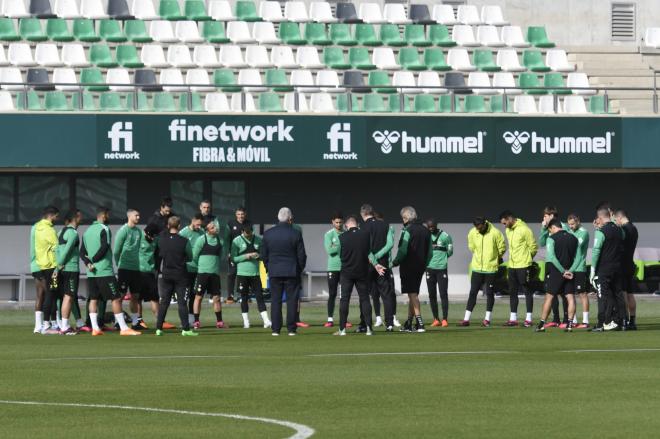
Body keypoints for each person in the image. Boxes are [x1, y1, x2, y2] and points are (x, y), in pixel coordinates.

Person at [81, 206, 140, 336]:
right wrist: (95, 261)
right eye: (108, 215)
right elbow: (104, 247)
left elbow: (82, 252)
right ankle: (124, 328)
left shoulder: (87, 231)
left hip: (91, 273)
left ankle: (95, 328)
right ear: (103, 215)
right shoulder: (105, 229)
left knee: (94, 299)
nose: (109, 217)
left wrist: (88, 262)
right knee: (116, 297)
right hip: (104, 271)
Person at [334, 215, 385, 336]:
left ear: (346, 225)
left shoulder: (342, 237)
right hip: (362, 272)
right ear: (357, 224)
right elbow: (369, 252)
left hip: (346, 273)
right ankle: (368, 329)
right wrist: (376, 264)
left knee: (344, 300)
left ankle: (342, 329)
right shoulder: (365, 235)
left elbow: (338, 253)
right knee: (365, 299)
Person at [260, 207, 307, 336]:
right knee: (292, 300)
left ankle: (276, 329)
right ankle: (291, 329)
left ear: (278, 217)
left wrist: (268, 267)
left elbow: (263, 255)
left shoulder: (268, 234)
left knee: (276, 300)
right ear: (290, 218)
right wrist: (298, 269)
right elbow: (302, 256)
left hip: (275, 271)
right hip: (292, 271)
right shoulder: (296, 233)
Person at [459, 217, 506, 327]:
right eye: (477, 228)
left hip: (490, 269)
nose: (478, 230)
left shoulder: (496, 233)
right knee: (473, 292)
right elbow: (471, 247)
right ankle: (466, 319)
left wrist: (494, 258)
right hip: (477, 268)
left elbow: (502, 248)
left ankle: (487, 319)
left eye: (480, 227)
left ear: (485, 224)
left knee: (489, 293)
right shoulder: (472, 232)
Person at [156, 216, 198, 336]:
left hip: (166, 275)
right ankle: (185, 329)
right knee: (182, 303)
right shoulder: (184, 241)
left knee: (164, 302)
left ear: (168, 226)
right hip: (181, 276)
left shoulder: (162, 240)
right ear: (179, 226)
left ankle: (159, 328)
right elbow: (190, 257)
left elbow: (160, 255)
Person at [392, 206, 432, 333]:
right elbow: (430, 252)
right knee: (412, 293)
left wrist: (394, 262)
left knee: (413, 295)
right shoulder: (426, 230)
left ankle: (420, 323)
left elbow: (402, 250)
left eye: (402, 218)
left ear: (406, 218)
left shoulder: (407, 230)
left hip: (408, 266)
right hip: (420, 267)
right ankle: (409, 323)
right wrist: (424, 265)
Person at [535, 219, 579, 332]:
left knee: (549, 297)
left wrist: (562, 271)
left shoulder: (551, 238)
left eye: (550, 230)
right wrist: (571, 271)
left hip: (557, 272)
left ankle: (541, 324)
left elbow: (552, 258)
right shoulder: (573, 238)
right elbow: (579, 258)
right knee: (570, 297)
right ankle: (569, 324)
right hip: (570, 272)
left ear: (552, 228)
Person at [499, 210, 538, 327]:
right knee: (512, 292)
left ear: (510, 219)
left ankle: (529, 319)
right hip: (512, 265)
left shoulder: (525, 229)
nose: (504, 226)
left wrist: (527, 259)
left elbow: (533, 247)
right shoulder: (508, 230)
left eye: (504, 223)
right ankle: (513, 318)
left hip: (524, 265)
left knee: (527, 291)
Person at [590, 206, 626, 332]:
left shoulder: (601, 232)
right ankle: (622, 322)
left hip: (604, 269)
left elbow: (596, 251)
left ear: (600, 217)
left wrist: (593, 269)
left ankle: (601, 323)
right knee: (618, 295)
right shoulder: (619, 230)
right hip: (617, 268)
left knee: (602, 296)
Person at [360, 204, 395, 331]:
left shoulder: (363, 227)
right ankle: (390, 323)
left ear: (363, 214)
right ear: (372, 212)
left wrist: (374, 260)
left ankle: (365, 324)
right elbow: (390, 244)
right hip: (383, 263)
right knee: (386, 294)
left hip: (369, 264)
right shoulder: (385, 225)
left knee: (364, 295)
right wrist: (379, 257)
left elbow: (364, 247)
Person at [231, 224, 272, 329]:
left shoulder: (258, 239)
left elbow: (264, 255)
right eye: (246, 232)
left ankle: (266, 321)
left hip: (255, 274)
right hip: (242, 274)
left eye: (249, 232)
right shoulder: (236, 241)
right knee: (244, 298)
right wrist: (246, 256)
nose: (248, 234)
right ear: (242, 231)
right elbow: (233, 259)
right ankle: (246, 322)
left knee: (259, 296)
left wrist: (257, 256)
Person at [135, 223, 172, 329]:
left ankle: (160, 321)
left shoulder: (156, 239)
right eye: (150, 235)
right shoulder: (139, 237)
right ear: (146, 232)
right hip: (139, 271)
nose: (152, 238)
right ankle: (139, 320)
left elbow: (157, 254)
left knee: (154, 297)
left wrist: (156, 269)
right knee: (138, 297)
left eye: (154, 236)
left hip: (151, 271)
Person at [538, 206, 569, 327]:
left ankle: (567, 319)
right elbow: (541, 243)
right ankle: (556, 319)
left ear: (551, 215)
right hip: (550, 262)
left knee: (564, 292)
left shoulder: (563, 226)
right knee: (551, 291)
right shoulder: (547, 228)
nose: (543, 218)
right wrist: (543, 228)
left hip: (561, 263)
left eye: (545, 216)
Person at [191, 221, 226, 329]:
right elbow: (194, 255)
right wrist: (202, 266)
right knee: (198, 297)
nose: (216, 228)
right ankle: (196, 321)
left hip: (214, 274)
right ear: (208, 230)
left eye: (216, 226)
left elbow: (221, 256)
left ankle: (219, 322)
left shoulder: (220, 241)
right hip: (202, 274)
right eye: (213, 227)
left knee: (216, 298)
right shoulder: (201, 240)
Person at [31, 206, 60, 334]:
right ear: (51, 215)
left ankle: (38, 326)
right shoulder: (48, 230)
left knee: (40, 296)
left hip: (36, 265)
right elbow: (56, 248)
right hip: (48, 266)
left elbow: (34, 247)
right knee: (51, 294)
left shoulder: (35, 227)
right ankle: (52, 324)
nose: (57, 219)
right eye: (56, 216)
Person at [114, 209, 144, 328]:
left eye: (139, 215)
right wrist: (119, 264)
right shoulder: (123, 230)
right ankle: (118, 322)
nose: (138, 217)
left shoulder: (138, 231)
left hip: (135, 269)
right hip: (124, 268)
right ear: (129, 216)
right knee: (120, 296)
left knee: (135, 296)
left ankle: (136, 322)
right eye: (136, 215)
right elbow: (116, 250)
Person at [55, 209, 83, 334]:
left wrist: (58, 267)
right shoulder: (73, 233)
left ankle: (63, 325)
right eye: (80, 216)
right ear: (75, 217)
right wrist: (60, 265)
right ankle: (65, 327)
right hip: (70, 269)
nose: (82, 218)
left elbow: (57, 251)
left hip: (62, 269)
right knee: (69, 297)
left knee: (65, 297)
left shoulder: (61, 231)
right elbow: (66, 251)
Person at [424, 219, 453, 327]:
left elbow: (450, 250)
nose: (431, 228)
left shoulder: (445, 236)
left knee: (443, 294)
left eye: (432, 226)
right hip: (429, 268)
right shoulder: (425, 236)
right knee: (432, 295)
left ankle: (445, 319)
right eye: (429, 227)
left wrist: (443, 259)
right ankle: (436, 319)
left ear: (436, 225)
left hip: (441, 269)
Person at [614, 209, 639, 330]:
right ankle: (632, 321)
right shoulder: (634, 228)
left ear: (619, 218)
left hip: (622, 265)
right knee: (630, 293)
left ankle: (624, 319)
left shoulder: (623, 229)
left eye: (615, 220)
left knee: (623, 293)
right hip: (630, 263)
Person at [179, 214, 204, 325]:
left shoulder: (202, 232)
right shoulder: (183, 233)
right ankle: (184, 321)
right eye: (198, 224)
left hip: (198, 269)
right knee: (185, 295)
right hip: (187, 269)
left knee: (195, 295)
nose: (199, 227)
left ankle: (192, 319)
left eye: (200, 225)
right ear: (192, 221)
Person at [567, 214, 590, 328]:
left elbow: (576, 245)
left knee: (582, 294)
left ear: (578, 221)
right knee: (570, 294)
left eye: (572, 224)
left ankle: (585, 321)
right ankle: (574, 320)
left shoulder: (584, 232)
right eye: (569, 224)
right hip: (570, 267)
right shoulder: (570, 232)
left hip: (580, 267)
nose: (571, 226)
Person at [225, 206, 252, 304]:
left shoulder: (249, 223)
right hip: (233, 254)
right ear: (236, 215)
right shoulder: (231, 224)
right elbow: (227, 239)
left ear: (245, 215)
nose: (240, 216)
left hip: (245, 254)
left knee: (244, 274)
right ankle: (230, 296)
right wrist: (228, 252)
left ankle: (243, 295)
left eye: (242, 214)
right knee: (232, 274)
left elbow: (250, 238)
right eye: (239, 214)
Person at [323, 212, 345, 327]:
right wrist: (341, 244)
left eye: (340, 222)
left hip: (345, 268)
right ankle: (330, 319)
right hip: (332, 268)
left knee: (344, 295)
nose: (338, 224)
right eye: (336, 222)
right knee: (332, 294)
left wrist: (335, 245)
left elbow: (348, 249)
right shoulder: (329, 234)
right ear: (332, 222)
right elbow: (329, 251)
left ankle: (344, 319)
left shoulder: (347, 233)